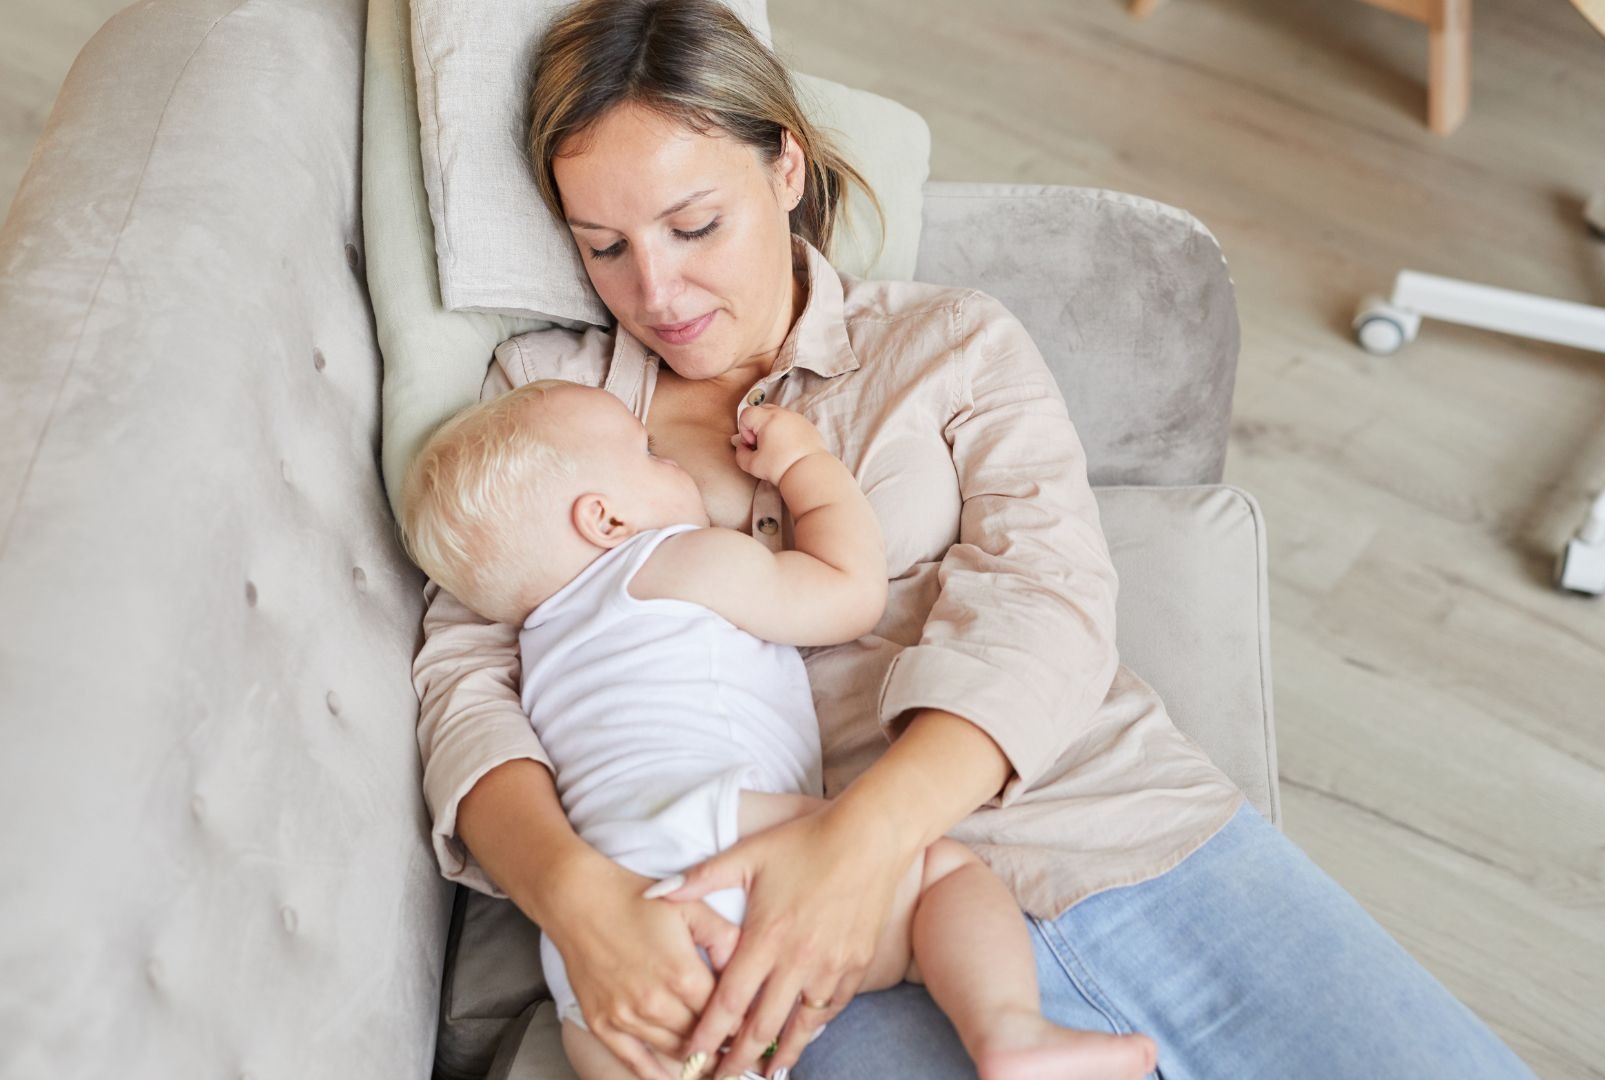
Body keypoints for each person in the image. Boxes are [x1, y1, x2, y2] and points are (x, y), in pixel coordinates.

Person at [409, 0, 1540, 1077]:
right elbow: (466, 676)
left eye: (694, 224)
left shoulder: (947, 345)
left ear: (785, 168)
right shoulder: (547, 405)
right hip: (801, 954)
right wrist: (577, 901)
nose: (655, 289)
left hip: (1103, 824)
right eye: (603, 248)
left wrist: (853, 850)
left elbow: (1047, 598)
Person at [398, 380, 1159, 1080]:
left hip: (599, 937)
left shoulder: (542, 649)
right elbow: (847, 592)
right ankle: (1009, 1032)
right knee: (947, 876)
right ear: (606, 520)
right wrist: (806, 466)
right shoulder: (670, 561)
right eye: (650, 453)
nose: (675, 463)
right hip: (713, 831)